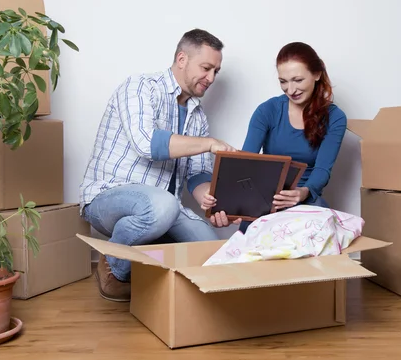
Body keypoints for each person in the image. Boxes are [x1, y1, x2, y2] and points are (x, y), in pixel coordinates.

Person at [79, 29, 238, 302]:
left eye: (216, 71)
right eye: (206, 68)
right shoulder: (140, 87)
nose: (211, 78)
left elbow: (197, 174)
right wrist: (210, 143)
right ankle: (115, 266)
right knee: (162, 205)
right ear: (181, 59)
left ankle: (147, 254)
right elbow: (146, 143)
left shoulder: (197, 115)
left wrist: (211, 202)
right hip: (108, 197)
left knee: (213, 251)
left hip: (164, 208)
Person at [202, 42, 347, 230]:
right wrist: (225, 203)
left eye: (298, 80)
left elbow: (322, 170)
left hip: (305, 199)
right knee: (250, 237)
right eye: (283, 82)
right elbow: (245, 162)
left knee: (319, 228)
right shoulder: (267, 111)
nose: (291, 90)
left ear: (317, 74)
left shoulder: (335, 118)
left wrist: (303, 192)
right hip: (264, 198)